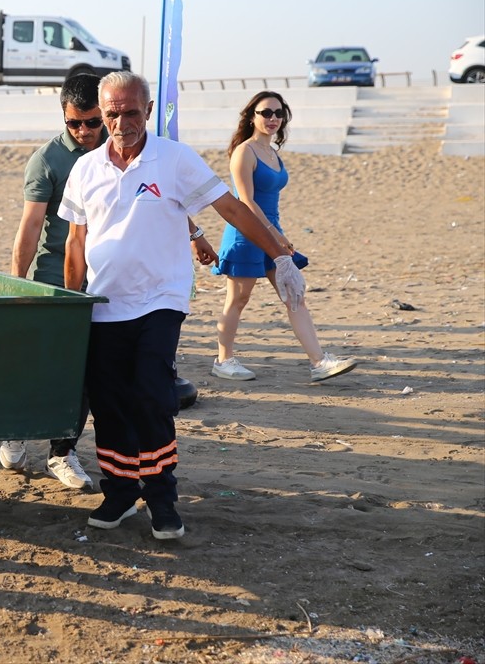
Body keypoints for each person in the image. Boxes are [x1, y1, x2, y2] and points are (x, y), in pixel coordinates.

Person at [60, 71, 305, 540]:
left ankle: (161, 497)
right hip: (104, 304)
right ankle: (120, 491)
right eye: (112, 113)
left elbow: (231, 209)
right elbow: (76, 241)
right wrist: (75, 306)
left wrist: (279, 254)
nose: (122, 122)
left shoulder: (173, 159)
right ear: (101, 113)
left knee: (152, 396)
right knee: (109, 403)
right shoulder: (86, 169)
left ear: (148, 111)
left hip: (160, 300)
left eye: (131, 112)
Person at [0, 74, 108, 489]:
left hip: (104, 281)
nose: (83, 132)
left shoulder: (124, 150)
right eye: (74, 124)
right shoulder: (47, 160)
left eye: (92, 122)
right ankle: (14, 426)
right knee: (37, 365)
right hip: (54, 281)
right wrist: (15, 288)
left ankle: (63, 452)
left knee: (82, 373)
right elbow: (29, 228)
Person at [211, 91, 356, 382]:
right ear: (252, 116)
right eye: (266, 113)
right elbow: (246, 203)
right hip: (246, 234)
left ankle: (319, 362)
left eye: (279, 113)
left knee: (294, 296)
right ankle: (223, 360)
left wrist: (278, 235)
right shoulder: (244, 152)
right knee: (239, 299)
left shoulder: (272, 152)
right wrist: (277, 235)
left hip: (273, 235)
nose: (273, 118)